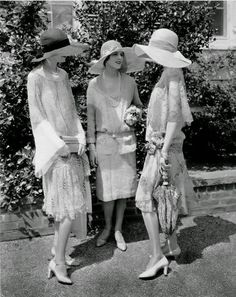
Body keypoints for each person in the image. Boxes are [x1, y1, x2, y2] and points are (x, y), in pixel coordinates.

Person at [27, 28, 91, 285]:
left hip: (72, 148)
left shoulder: (63, 75)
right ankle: (59, 262)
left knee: (67, 209)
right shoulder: (35, 78)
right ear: (53, 53)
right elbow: (37, 117)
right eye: (64, 50)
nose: (67, 55)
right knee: (65, 212)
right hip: (56, 151)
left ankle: (57, 251)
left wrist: (81, 134)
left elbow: (71, 110)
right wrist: (58, 145)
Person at [134, 28, 196, 279]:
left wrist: (162, 151)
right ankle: (172, 245)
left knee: (145, 198)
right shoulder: (170, 72)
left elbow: (174, 118)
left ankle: (157, 256)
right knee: (166, 196)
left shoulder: (172, 73)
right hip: (165, 146)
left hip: (163, 147)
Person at [87, 40, 144, 251]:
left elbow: (138, 106)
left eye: (121, 54)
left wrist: (134, 115)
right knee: (107, 190)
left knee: (122, 189)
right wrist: (91, 145)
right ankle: (107, 227)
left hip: (126, 142)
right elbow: (90, 118)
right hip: (103, 143)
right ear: (105, 60)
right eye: (114, 55)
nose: (119, 58)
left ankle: (119, 229)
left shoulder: (130, 82)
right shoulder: (93, 85)